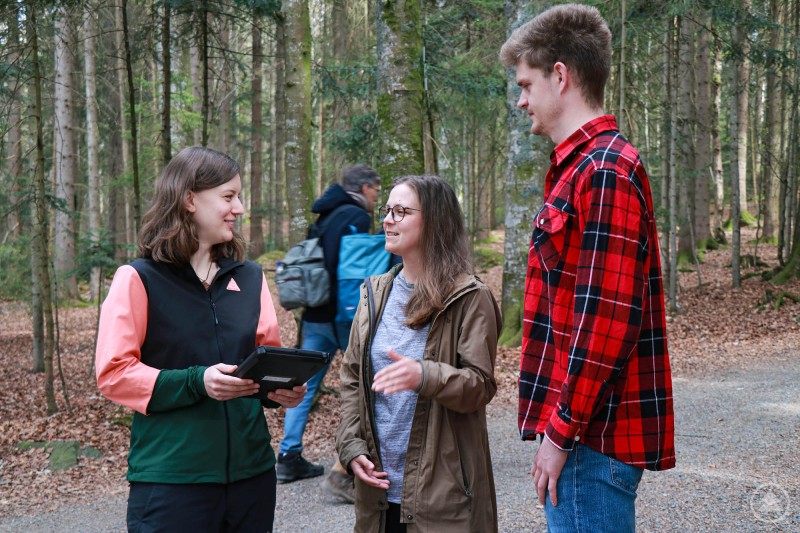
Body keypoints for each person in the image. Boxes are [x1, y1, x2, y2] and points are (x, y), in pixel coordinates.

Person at [499, 4, 676, 532]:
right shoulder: (582, 167)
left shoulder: (603, 169)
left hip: (591, 440)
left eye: (526, 85)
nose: (522, 100)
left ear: (560, 75)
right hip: (584, 435)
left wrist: (560, 433)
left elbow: (605, 322)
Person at [95, 146, 305, 532]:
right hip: (172, 482)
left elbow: (265, 358)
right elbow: (114, 373)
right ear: (190, 199)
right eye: (228, 196)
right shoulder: (138, 278)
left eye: (239, 197)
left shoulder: (250, 277)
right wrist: (197, 381)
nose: (239, 208)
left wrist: (280, 390)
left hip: (252, 477)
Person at [336, 175, 502, 532]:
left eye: (401, 211)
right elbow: (351, 378)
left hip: (442, 497)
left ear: (435, 221)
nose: (387, 220)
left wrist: (424, 376)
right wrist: (351, 446)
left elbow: (480, 386)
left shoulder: (470, 297)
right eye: (387, 210)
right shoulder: (374, 293)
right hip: (378, 495)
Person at [278, 164, 381, 497]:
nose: (376, 196)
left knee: (305, 385)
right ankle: (348, 466)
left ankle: (288, 456)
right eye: (376, 189)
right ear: (364, 188)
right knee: (364, 383)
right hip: (341, 316)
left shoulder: (324, 214)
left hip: (315, 314)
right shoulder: (355, 216)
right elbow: (349, 269)